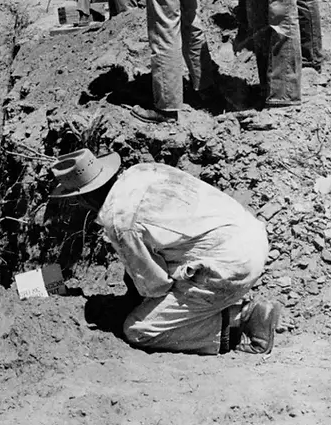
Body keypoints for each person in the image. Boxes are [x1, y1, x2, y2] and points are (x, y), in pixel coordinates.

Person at [50, 148, 281, 355]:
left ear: (84, 197)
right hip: (249, 235)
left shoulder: (120, 221)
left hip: (230, 263)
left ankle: (242, 319)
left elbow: (157, 285)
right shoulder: (139, 172)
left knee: (139, 330)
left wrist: (139, 301)